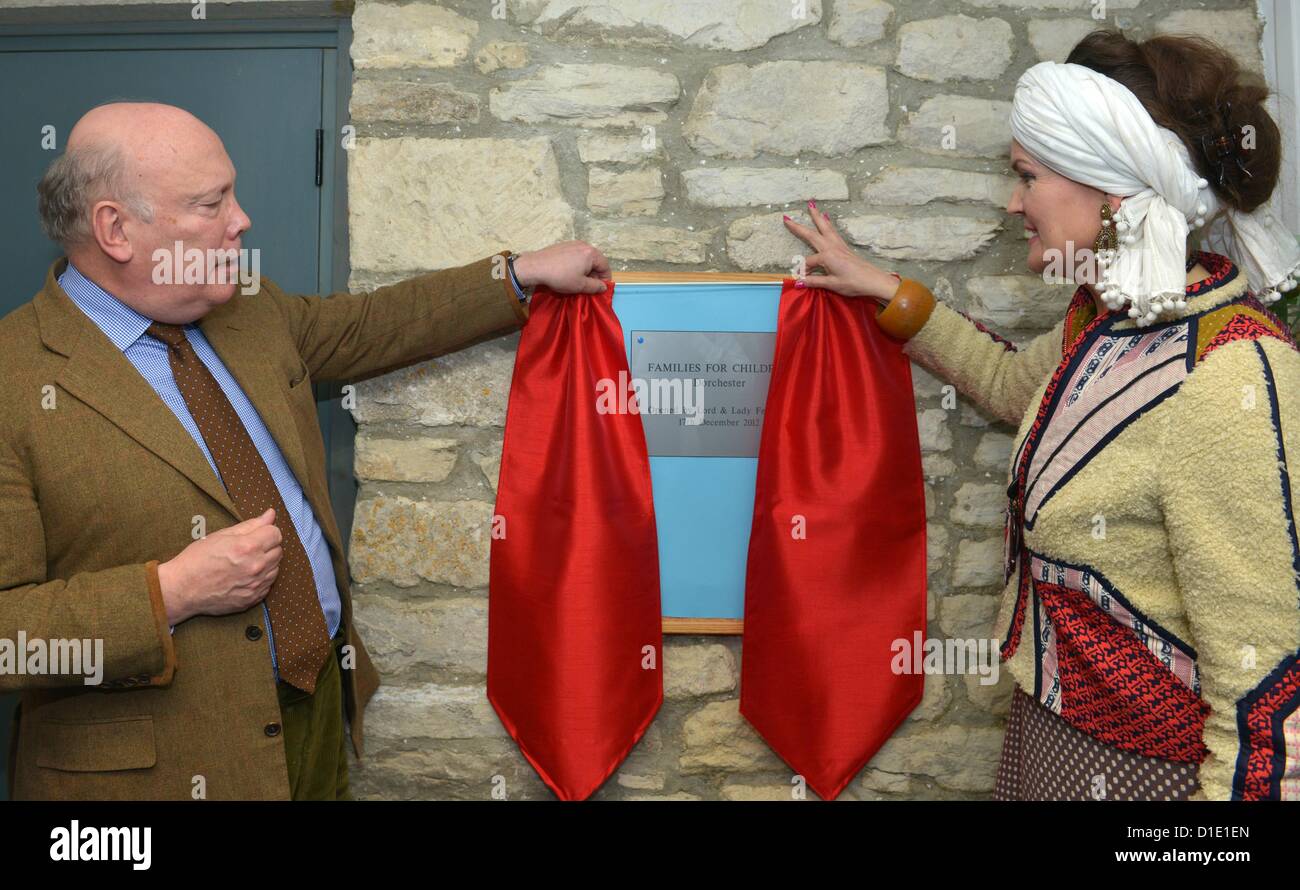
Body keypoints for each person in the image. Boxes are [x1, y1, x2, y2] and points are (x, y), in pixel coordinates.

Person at [0, 101, 611, 800]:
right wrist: (167, 594)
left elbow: (370, 327)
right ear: (115, 228)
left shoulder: (246, 308)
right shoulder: (13, 380)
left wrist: (519, 273)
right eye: (210, 203)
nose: (241, 220)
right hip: (152, 776)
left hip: (317, 710)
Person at [784, 29, 1300, 801]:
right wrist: (886, 293)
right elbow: (1004, 381)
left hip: (1150, 780)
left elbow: (1268, 692)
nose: (1012, 202)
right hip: (1048, 738)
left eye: (1026, 176)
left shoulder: (1233, 378)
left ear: (1111, 189)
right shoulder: (1103, 319)